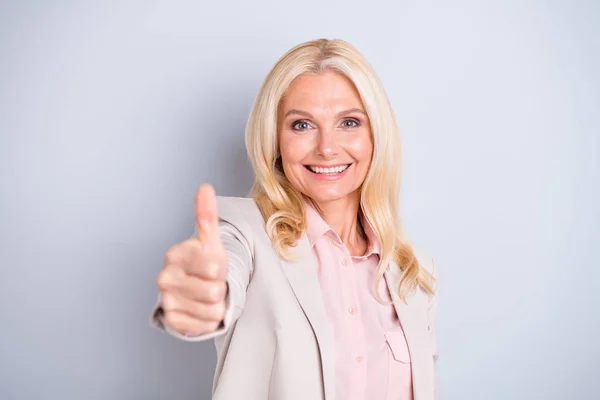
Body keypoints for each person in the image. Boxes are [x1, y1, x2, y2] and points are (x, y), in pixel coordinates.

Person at [151, 38, 439, 400]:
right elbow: (223, 274)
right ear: (275, 139)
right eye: (302, 125)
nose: (327, 147)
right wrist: (202, 298)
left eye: (349, 122)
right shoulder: (243, 233)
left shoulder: (413, 272)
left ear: (375, 136)